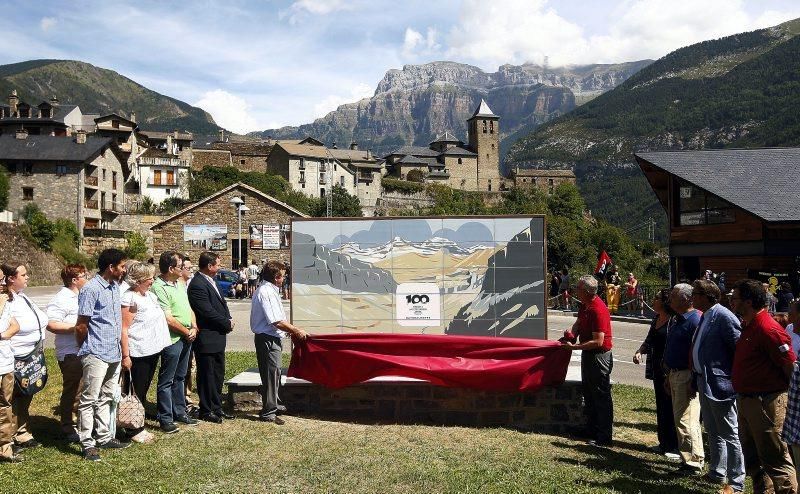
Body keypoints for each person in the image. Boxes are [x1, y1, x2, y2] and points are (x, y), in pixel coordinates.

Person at [730, 279, 797, 494]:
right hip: (748, 401)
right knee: (754, 460)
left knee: (776, 461)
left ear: (748, 302)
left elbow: (789, 366)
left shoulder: (768, 328)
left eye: (735, 298)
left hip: (765, 404)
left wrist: (778, 399)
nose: (731, 302)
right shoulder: (749, 325)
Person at [75, 248, 131, 461]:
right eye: (122, 266)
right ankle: (87, 443)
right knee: (89, 398)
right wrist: (86, 348)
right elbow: (82, 325)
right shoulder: (91, 289)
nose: (124, 270)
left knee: (106, 396)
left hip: (113, 352)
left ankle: (104, 435)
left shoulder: (114, 287)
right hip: (96, 352)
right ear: (111, 267)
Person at [691, 279, 745, 493]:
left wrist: (730, 378)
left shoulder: (723, 316)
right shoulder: (706, 315)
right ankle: (717, 471)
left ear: (706, 296)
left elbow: (737, 349)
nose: (692, 297)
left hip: (721, 384)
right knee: (713, 429)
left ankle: (736, 480)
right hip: (704, 381)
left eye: (695, 293)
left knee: (730, 433)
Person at [121, 261, 173, 443]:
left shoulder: (149, 296)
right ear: (138, 280)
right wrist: (126, 355)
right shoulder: (130, 299)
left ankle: (137, 423)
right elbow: (124, 329)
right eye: (149, 278)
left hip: (151, 349)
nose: (152, 280)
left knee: (143, 389)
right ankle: (133, 428)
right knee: (135, 391)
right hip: (138, 352)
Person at [251, 261, 307, 424]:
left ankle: (274, 404)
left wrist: (287, 330)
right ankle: (268, 412)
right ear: (276, 277)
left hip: (270, 337)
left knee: (274, 373)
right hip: (267, 339)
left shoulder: (268, 290)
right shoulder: (267, 292)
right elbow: (276, 320)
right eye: (283, 276)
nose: (285, 279)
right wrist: (295, 330)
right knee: (270, 374)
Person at [561, 275, 613, 446]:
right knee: (589, 394)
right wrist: (572, 333)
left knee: (600, 396)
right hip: (589, 354)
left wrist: (574, 348)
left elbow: (598, 341)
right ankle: (590, 429)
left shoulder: (598, 309)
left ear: (586, 291)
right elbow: (578, 323)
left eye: (578, 288)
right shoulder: (585, 305)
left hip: (599, 355)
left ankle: (604, 436)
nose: (576, 290)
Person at [1, 262, 47, 451]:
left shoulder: (23, 296)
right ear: (12, 278)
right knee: (9, 399)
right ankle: (9, 436)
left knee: (25, 396)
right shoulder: (6, 300)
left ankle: (21, 431)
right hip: (16, 356)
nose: (27, 277)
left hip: (31, 356)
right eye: (23, 274)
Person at [151, 251, 198, 433]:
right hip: (173, 338)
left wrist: (193, 326)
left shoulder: (179, 283)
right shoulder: (159, 287)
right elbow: (168, 318)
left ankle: (180, 411)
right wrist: (187, 331)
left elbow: (188, 307)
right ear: (171, 268)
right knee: (167, 379)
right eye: (180, 266)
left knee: (181, 377)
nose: (183, 269)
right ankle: (165, 417)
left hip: (187, 335)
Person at [187, 251, 233, 424]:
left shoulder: (212, 281)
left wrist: (228, 319)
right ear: (209, 266)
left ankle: (217, 407)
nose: (220, 267)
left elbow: (222, 304)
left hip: (218, 336)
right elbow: (206, 311)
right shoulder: (198, 284)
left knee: (218, 373)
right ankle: (206, 409)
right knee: (207, 374)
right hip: (207, 336)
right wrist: (226, 323)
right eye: (218, 264)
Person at [664, 283, 704, 474]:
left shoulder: (695, 320)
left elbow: (697, 353)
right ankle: (689, 457)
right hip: (674, 373)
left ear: (686, 299)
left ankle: (692, 462)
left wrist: (692, 380)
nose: (670, 299)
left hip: (686, 375)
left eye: (673, 296)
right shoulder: (678, 319)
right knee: (682, 418)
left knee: (686, 419)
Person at [633, 288, 678, 458]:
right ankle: (663, 443)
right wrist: (640, 351)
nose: (653, 299)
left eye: (657, 297)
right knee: (661, 406)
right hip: (657, 370)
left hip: (670, 370)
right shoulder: (657, 318)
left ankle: (674, 446)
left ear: (665, 301)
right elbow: (649, 339)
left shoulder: (674, 320)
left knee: (672, 408)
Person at [45, 264, 88, 443]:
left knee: (83, 388)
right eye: (84, 275)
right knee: (73, 389)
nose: (87, 278)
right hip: (70, 352)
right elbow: (52, 324)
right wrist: (75, 328)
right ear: (74, 280)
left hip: (83, 349)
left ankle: (79, 421)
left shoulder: (82, 295)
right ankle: (67, 425)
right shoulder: (61, 299)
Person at [0, 272, 22, 463]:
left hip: (5, 362)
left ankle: (4, 447)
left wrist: (4, 334)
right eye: (0, 280)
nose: (4, 283)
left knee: (5, 405)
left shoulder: (7, 302)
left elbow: (15, 325)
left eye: (4, 279)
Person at [179, 257, 197, 410]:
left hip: (192, 330)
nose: (191, 270)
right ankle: (181, 398)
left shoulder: (189, 284)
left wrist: (194, 327)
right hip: (180, 333)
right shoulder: (177, 286)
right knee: (182, 368)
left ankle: (187, 396)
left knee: (191, 366)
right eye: (188, 268)